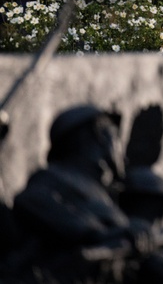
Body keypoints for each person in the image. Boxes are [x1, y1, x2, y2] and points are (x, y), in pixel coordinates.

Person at [11, 105, 150, 283]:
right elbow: (31, 200)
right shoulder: (56, 177)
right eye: (116, 135)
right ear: (100, 132)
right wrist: (95, 234)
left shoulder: (104, 199)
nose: (120, 147)